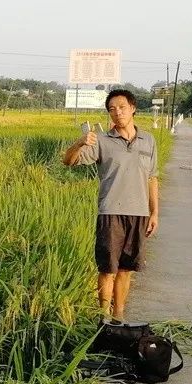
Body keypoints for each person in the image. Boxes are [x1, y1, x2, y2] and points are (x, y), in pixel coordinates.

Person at [62, 89, 159, 322]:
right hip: (111, 213)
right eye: (112, 109)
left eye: (122, 107)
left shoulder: (148, 140)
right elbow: (69, 161)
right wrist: (79, 143)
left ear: (133, 108)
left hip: (139, 214)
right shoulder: (102, 141)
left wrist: (154, 212)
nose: (117, 112)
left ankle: (119, 317)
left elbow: (152, 177)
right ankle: (103, 319)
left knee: (126, 269)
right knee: (108, 269)